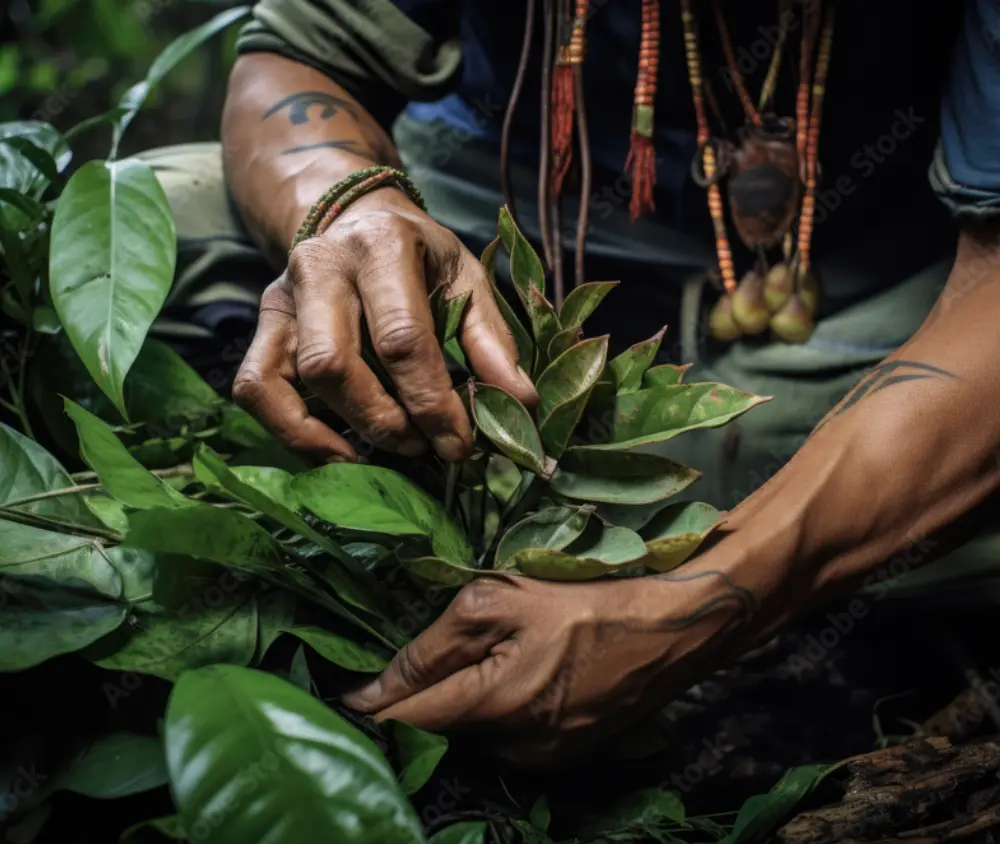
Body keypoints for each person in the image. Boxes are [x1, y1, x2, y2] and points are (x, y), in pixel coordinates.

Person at [143, 0, 1000, 766]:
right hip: (490, 244)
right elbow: (297, 58)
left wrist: (701, 604)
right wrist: (351, 212)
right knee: (167, 209)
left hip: (868, 305)